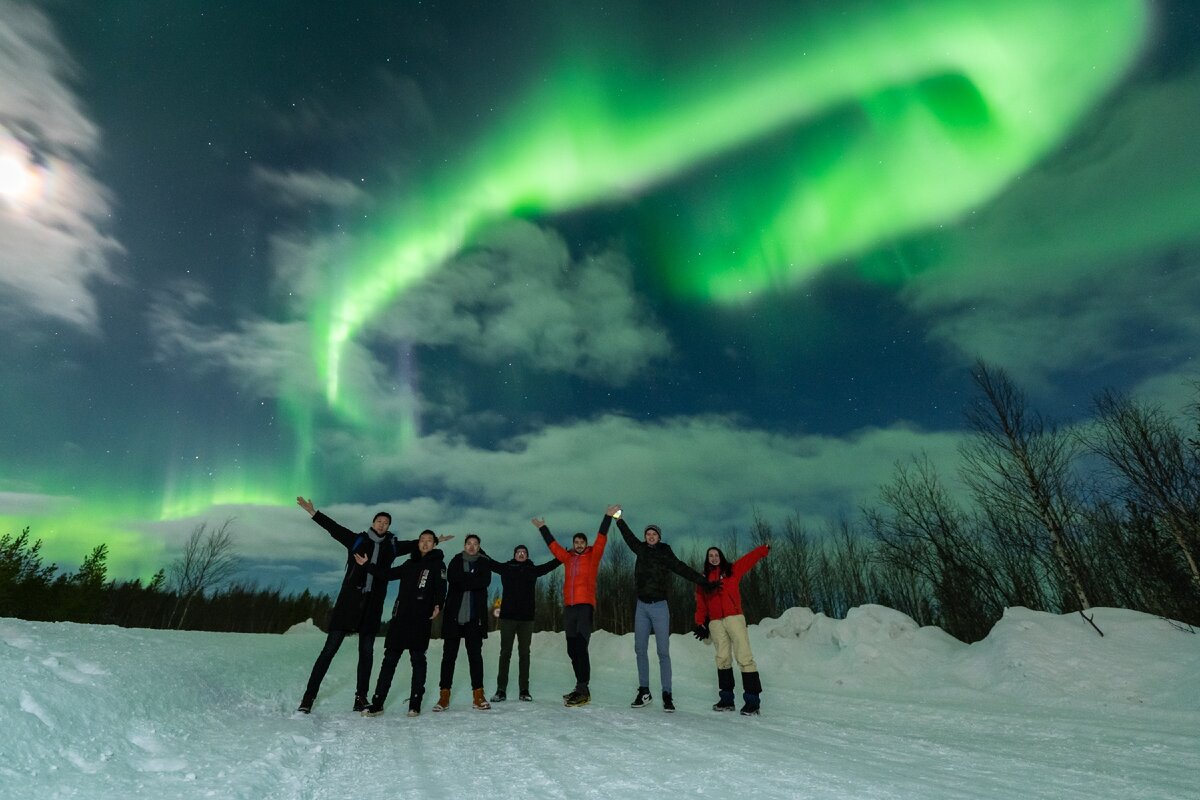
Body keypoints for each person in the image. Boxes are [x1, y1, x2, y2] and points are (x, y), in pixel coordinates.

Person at [295, 497, 411, 714]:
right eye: (379, 521)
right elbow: (334, 529)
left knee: (366, 653)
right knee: (329, 650)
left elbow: (418, 545)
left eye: (386, 522)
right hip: (349, 603)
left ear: (389, 527)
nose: (382, 524)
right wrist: (313, 512)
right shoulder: (358, 540)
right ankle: (308, 698)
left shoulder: (393, 547)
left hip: (372, 606)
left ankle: (360, 698)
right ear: (373, 522)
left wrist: (434, 541)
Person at [614, 508, 712, 712]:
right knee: (640, 649)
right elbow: (628, 537)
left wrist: (703, 582)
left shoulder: (665, 552)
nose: (650, 537)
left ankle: (667, 694)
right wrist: (619, 520)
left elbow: (681, 568)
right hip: (642, 606)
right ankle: (644, 691)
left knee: (662, 651)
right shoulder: (640, 549)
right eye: (648, 534)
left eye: (654, 534)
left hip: (660, 607)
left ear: (659, 537)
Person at [533, 507, 614, 707]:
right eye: (576, 542)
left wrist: (607, 517)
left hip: (585, 606)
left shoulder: (593, 556)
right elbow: (553, 547)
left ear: (586, 544)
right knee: (571, 649)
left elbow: (602, 537)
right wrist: (543, 528)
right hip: (569, 608)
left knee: (580, 646)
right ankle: (579, 687)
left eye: (582, 542)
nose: (578, 545)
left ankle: (584, 688)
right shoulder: (567, 558)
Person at [362, 530, 446, 717]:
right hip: (400, 617)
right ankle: (377, 703)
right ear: (418, 543)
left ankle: (415, 703)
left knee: (417, 659)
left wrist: (438, 605)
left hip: (421, 618)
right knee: (389, 659)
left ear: (434, 544)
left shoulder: (438, 564)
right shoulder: (409, 563)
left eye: (429, 541)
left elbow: (442, 588)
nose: (425, 543)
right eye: (422, 540)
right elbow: (387, 574)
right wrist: (368, 564)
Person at [694, 544, 770, 715]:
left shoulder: (731, 570)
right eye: (710, 555)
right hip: (715, 622)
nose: (713, 557)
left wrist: (762, 550)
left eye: (716, 554)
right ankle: (726, 700)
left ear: (721, 556)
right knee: (722, 658)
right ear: (707, 559)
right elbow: (700, 603)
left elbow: (748, 560)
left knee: (744, 657)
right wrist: (700, 623)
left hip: (734, 618)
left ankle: (752, 702)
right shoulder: (703, 579)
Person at [487, 544, 561, 702]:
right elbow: (490, 562)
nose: (521, 554)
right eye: (518, 552)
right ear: (514, 555)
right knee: (505, 653)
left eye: (524, 552)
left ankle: (524, 690)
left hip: (526, 619)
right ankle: (501, 690)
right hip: (507, 618)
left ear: (527, 555)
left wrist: (563, 556)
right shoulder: (506, 568)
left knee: (524, 653)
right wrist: (476, 547)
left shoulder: (532, 569)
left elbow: (550, 565)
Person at [435, 534, 494, 711]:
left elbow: (485, 581)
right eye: (469, 543)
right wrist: (472, 580)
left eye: (475, 544)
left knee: (475, 657)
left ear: (479, 546)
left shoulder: (484, 563)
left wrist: (466, 579)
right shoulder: (455, 561)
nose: (471, 546)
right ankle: (443, 697)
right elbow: (454, 579)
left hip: (474, 619)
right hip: (454, 617)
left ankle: (478, 696)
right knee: (449, 658)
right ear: (464, 545)